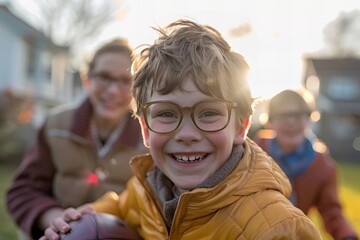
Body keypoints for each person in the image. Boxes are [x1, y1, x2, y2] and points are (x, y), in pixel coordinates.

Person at [40, 19, 322, 240]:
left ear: (241, 125)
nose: (187, 134)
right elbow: (121, 207)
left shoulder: (280, 229)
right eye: (166, 113)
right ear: (145, 129)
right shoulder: (146, 189)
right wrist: (77, 221)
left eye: (209, 112)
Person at [6, 38, 147, 240]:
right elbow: (23, 190)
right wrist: (57, 219)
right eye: (104, 77)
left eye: (126, 81)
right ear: (87, 80)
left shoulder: (150, 139)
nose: (113, 90)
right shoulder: (55, 126)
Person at [254, 89, 358, 240]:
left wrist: (348, 236)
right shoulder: (255, 153)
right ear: (270, 121)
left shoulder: (323, 167)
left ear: (310, 118)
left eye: (298, 115)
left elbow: (332, 213)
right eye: (282, 115)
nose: (291, 122)